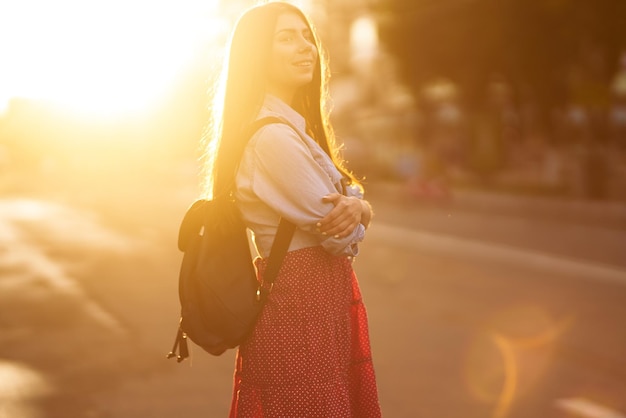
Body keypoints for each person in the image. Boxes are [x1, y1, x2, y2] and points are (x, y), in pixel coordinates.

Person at [203, 2, 381, 416]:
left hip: (314, 307)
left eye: (306, 36)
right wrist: (360, 212)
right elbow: (340, 238)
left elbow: (346, 194)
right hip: (298, 311)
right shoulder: (271, 139)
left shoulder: (290, 127)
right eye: (286, 38)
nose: (306, 48)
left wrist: (359, 207)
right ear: (257, 55)